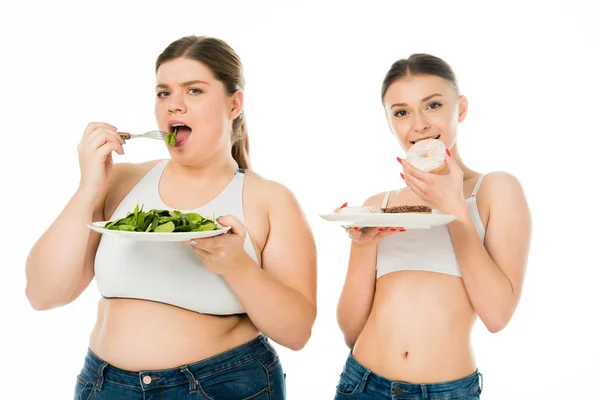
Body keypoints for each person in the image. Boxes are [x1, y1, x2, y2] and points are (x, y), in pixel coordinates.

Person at [25, 35, 317, 400]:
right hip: (105, 386)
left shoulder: (270, 200)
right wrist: (88, 189)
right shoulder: (118, 182)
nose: (173, 106)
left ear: (234, 104)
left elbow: (297, 332)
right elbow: (42, 294)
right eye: (163, 93)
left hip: (222, 386)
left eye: (193, 91)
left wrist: (237, 264)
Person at [333, 54, 531, 399]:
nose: (419, 124)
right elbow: (351, 332)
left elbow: (497, 316)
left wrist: (454, 207)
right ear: (390, 122)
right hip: (361, 384)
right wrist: (362, 246)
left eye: (433, 105)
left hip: (446, 392)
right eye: (401, 112)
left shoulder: (496, 190)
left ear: (461, 108)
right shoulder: (380, 204)